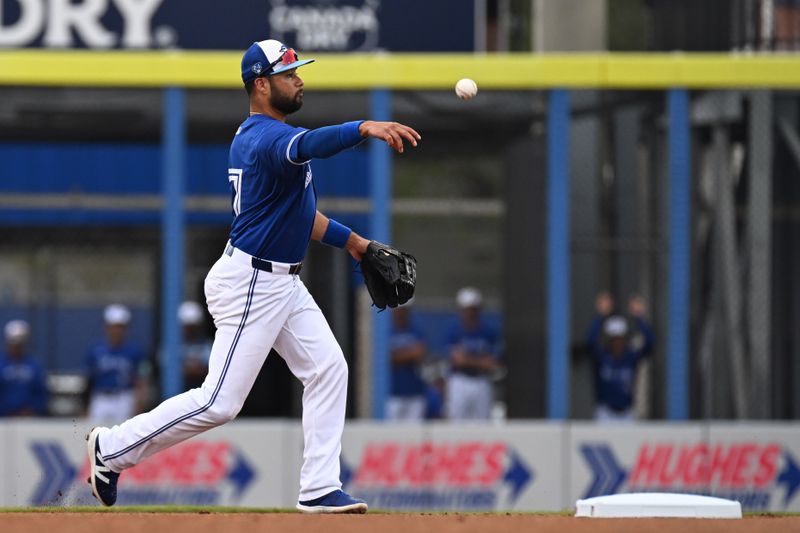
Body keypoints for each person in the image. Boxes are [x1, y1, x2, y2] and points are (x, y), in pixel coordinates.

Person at [85, 39, 421, 513]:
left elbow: (302, 215)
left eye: (297, 72)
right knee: (218, 402)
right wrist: (362, 126)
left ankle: (319, 487)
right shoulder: (264, 138)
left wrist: (358, 245)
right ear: (261, 85)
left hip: (282, 282)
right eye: (289, 74)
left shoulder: (270, 139)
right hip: (252, 283)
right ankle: (112, 448)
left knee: (329, 369)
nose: (299, 79)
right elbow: (309, 144)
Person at [585, 291, 654, 422]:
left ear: (625, 338)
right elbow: (589, 343)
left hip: (627, 413)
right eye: (614, 338)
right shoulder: (602, 356)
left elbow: (650, 344)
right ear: (609, 339)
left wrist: (639, 317)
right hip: (605, 413)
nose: (617, 342)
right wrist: (601, 316)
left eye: (620, 338)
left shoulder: (630, 357)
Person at [85, 304, 146, 425]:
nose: (116, 331)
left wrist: (139, 403)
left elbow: (141, 380)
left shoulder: (135, 351)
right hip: (100, 398)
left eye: (120, 327)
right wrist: (85, 405)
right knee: (93, 435)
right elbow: (89, 380)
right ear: (106, 327)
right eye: (113, 327)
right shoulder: (96, 350)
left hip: (124, 398)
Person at [445, 287, 501, 420]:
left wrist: (467, 359)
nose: (470, 313)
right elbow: (456, 360)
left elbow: (493, 363)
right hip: (459, 381)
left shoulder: (488, 331)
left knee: (483, 422)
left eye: (473, 309)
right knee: (456, 421)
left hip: (481, 380)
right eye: (466, 309)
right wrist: (480, 361)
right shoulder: (454, 330)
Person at [387, 301, 428, 421]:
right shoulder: (387, 329)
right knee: (392, 433)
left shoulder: (416, 329)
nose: (401, 313)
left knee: (414, 434)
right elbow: (387, 358)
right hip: (393, 392)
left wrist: (398, 356)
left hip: (414, 391)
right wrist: (410, 354)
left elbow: (420, 353)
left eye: (404, 310)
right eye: (398, 309)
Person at [0, 320, 48, 417]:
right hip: (3, 418)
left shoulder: (34, 366)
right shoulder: (1, 364)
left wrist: (33, 409)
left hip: (29, 418)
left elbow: (41, 392)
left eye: (19, 344)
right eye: (13, 343)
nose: (16, 347)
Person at [177, 301, 213, 391]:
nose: (189, 331)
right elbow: (167, 367)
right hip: (178, 390)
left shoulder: (205, 344)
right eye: (187, 327)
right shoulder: (172, 344)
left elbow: (211, 369)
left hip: (200, 390)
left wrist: (187, 369)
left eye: (193, 327)